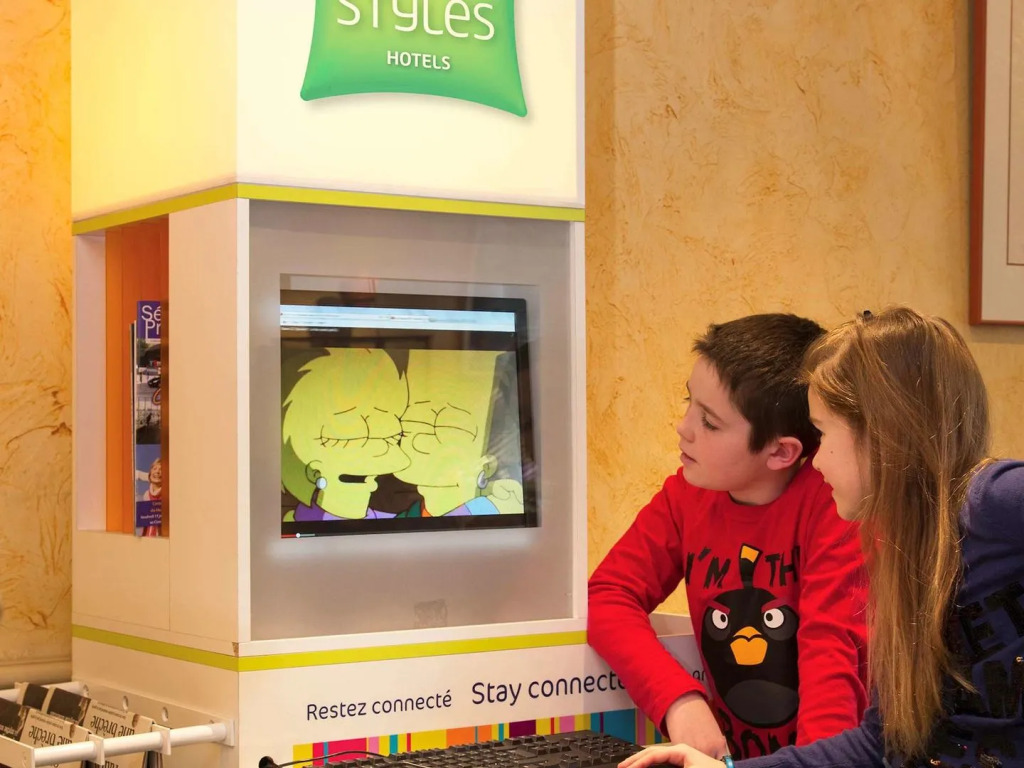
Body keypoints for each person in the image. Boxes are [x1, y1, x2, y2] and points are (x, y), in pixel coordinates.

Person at [620, 307, 1024, 768]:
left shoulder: (993, 500)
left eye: (822, 433)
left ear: (883, 435)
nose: (815, 460)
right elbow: (877, 744)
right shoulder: (902, 549)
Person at [589, 314, 869, 759]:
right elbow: (608, 595)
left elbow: (831, 661)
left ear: (781, 451)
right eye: (690, 401)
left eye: (710, 422)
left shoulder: (836, 503)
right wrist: (679, 701)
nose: (684, 427)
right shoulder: (687, 495)